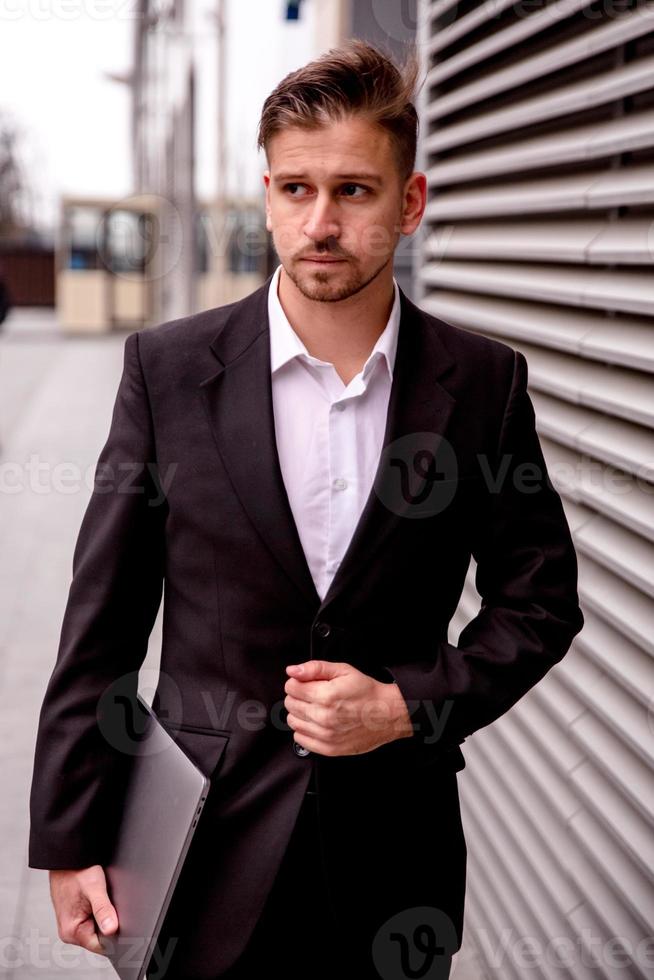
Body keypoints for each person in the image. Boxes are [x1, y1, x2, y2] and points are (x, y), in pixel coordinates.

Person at [28, 39, 584, 980]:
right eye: (295, 190)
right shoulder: (167, 372)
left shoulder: (483, 385)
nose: (321, 222)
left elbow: (541, 604)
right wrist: (69, 835)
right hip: (197, 841)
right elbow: (103, 623)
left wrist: (409, 706)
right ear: (267, 194)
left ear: (409, 204)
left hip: (392, 860)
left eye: (355, 192)